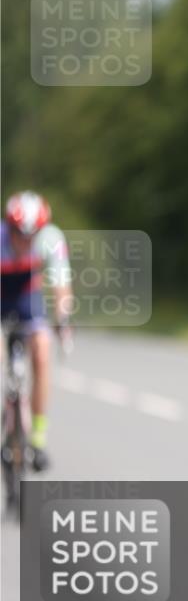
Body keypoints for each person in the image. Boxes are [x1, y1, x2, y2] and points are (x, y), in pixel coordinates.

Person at [1, 191, 74, 471]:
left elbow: (61, 285)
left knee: (42, 352)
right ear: (9, 227)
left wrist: (63, 321)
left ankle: (38, 438)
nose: (26, 241)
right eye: (20, 233)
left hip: (28, 300)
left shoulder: (51, 240)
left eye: (33, 234)